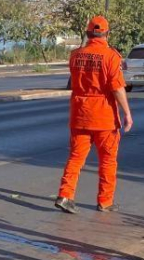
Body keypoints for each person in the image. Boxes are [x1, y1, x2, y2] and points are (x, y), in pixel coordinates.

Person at [55, 15, 133, 214]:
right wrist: (127, 113)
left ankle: (65, 195)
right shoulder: (111, 56)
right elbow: (116, 88)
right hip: (103, 116)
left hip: (80, 113)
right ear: (107, 34)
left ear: (88, 33)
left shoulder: (75, 55)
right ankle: (105, 201)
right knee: (107, 160)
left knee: (75, 157)